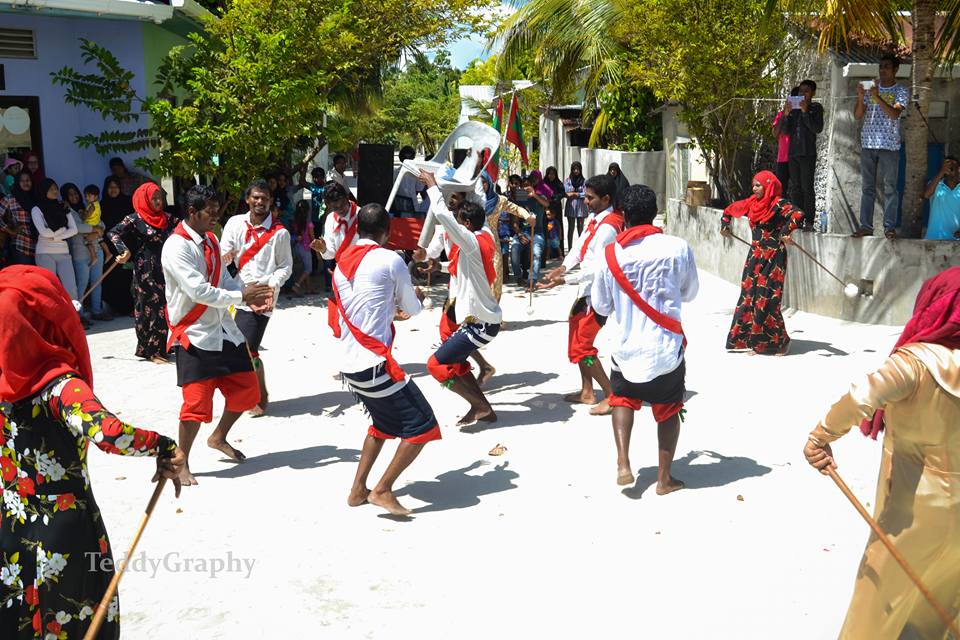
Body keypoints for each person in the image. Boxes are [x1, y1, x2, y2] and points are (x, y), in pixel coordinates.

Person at [0, 265, 185, 640]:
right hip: (65, 533)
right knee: (71, 620)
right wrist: (163, 445)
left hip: (11, 527)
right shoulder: (59, 384)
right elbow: (109, 433)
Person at [803, 267, 960, 639]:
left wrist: (819, 437)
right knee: (945, 580)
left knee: (878, 594)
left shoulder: (916, 362)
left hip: (913, 508)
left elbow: (862, 398)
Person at [161, 184, 273, 486]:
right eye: (210, 212)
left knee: (250, 392)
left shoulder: (210, 239)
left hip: (224, 331)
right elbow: (198, 290)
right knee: (195, 406)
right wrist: (241, 298)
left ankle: (219, 436)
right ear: (192, 212)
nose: (215, 217)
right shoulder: (176, 246)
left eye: (216, 211)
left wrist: (247, 294)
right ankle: (179, 461)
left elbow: (223, 278)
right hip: (195, 334)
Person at [333, 203, 439, 516]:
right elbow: (413, 309)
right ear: (387, 232)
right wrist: (416, 298)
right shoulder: (390, 259)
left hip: (348, 363)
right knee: (423, 426)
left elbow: (366, 307)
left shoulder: (341, 264)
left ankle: (357, 490)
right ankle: (382, 489)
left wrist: (394, 309)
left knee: (381, 424)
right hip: (374, 363)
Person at [592, 185, 698, 491]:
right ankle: (664, 480)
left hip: (625, 349)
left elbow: (600, 305)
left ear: (623, 214)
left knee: (622, 398)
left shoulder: (610, 254)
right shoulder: (677, 246)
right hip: (665, 350)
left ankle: (623, 462)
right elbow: (690, 292)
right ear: (654, 213)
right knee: (668, 408)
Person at [421, 171, 502, 426]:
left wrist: (433, 187)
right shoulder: (484, 234)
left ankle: (480, 406)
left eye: (460, 219)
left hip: (481, 323)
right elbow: (461, 267)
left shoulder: (470, 241)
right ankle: (483, 408)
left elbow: (444, 217)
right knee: (454, 360)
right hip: (480, 320)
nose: (455, 220)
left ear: (466, 224)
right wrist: (439, 268)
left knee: (435, 364)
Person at [540, 174, 624, 416]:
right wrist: (563, 267)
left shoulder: (608, 227)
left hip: (596, 295)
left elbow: (595, 267)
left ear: (606, 198)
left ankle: (611, 395)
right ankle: (587, 391)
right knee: (577, 341)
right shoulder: (597, 220)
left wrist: (564, 279)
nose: (584, 201)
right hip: (585, 292)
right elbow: (580, 248)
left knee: (583, 348)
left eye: (590, 198)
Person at [220, 179, 293, 417]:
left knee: (247, 348)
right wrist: (227, 255)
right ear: (248, 199)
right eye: (256, 197)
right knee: (242, 348)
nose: (260, 202)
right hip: (236, 292)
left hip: (262, 296)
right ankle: (257, 392)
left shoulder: (279, 233)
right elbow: (223, 252)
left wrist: (269, 286)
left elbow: (285, 267)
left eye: (264, 198)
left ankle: (258, 395)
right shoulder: (234, 223)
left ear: (270, 202)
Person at [720, 170, 803, 355]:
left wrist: (786, 232)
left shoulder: (778, 204)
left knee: (767, 298)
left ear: (768, 185)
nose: (754, 188)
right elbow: (727, 212)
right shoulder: (752, 203)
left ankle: (779, 342)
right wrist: (725, 226)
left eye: (758, 185)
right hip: (755, 255)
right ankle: (750, 340)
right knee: (749, 295)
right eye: (753, 185)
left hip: (774, 255)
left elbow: (798, 214)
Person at [108, 183, 175, 363]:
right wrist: (124, 251)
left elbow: (185, 232)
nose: (158, 201)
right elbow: (113, 233)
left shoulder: (168, 219)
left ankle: (160, 347)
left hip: (166, 267)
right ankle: (152, 351)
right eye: (153, 198)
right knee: (150, 307)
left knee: (164, 306)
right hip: (145, 269)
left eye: (159, 197)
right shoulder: (134, 219)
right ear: (144, 199)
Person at [852, 53, 910, 239]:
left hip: (889, 145)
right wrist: (861, 97)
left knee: (890, 188)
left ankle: (889, 228)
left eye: (886, 66)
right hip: (868, 143)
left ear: (895, 70)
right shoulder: (872, 88)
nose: (883, 70)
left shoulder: (901, 91)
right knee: (867, 187)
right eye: (881, 66)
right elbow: (858, 115)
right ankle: (866, 226)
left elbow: (894, 114)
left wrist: (877, 98)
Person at [311, 181, 360, 335]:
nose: (339, 210)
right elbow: (331, 253)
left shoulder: (363, 214)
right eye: (335, 207)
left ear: (347, 198)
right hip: (342, 273)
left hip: (362, 271)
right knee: (345, 315)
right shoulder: (331, 219)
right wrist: (323, 249)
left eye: (341, 205)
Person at [778, 80, 823, 231]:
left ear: (813, 93)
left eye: (806, 91)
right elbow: (785, 131)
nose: (802, 94)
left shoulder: (815, 108)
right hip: (793, 153)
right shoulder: (794, 110)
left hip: (807, 153)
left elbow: (817, 128)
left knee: (807, 187)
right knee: (795, 188)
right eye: (800, 91)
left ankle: (809, 221)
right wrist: (786, 114)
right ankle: (797, 219)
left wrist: (805, 112)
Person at [62, 182, 109, 323]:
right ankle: (79, 314)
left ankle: (97, 311)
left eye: (76, 193)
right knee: (81, 284)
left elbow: (102, 224)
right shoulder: (66, 209)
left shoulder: (87, 208)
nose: (74, 196)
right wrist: (95, 229)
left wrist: (96, 230)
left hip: (96, 249)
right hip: (80, 252)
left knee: (97, 282)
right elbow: (77, 228)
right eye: (70, 194)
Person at [31, 178, 79, 301]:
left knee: (70, 287)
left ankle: (75, 317)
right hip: (45, 253)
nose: (55, 191)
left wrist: (55, 236)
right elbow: (43, 232)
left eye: (55, 188)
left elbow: (74, 230)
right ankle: (52, 319)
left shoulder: (62, 206)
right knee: (49, 288)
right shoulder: (36, 209)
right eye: (51, 189)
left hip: (63, 252)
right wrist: (63, 232)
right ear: (44, 190)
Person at [99, 176, 135, 316]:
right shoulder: (102, 205)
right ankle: (114, 308)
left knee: (125, 278)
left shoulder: (127, 203)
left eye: (116, 187)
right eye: (110, 187)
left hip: (125, 247)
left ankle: (128, 308)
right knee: (111, 278)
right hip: (108, 248)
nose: (113, 190)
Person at [511, 174, 549, 290]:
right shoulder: (520, 197)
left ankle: (532, 281)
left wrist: (534, 195)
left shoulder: (539, 196)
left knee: (536, 255)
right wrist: (519, 234)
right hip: (523, 232)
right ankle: (519, 276)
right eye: (524, 185)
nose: (526, 187)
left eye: (528, 185)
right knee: (514, 249)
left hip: (537, 233)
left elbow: (547, 204)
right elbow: (515, 221)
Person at [923, 155, 960, 240]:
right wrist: (941, 173)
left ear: (959, 169)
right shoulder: (936, 185)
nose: (949, 167)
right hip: (934, 239)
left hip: (956, 243)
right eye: (946, 165)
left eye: (952, 165)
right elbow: (926, 195)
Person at [3, 170, 36, 265]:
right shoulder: (11, 198)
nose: (26, 183)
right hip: (21, 245)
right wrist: (10, 231)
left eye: (28, 180)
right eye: (22, 180)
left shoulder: (37, 197)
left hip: (40, 247)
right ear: (17, 182)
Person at [772, 87, 799, 194]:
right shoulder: (781, 114)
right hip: (783, 158)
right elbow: (775, 133)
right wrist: (785, 114)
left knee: (798, 188)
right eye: (794, 99)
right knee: (780, 188)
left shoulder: (803, 115)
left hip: (798, 157)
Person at [290, 200, 317, 294]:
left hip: (297, 246)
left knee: (305, 268)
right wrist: (318, 251)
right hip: (306, 248)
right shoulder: (309, 224)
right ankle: (297, 285)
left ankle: (309, 288)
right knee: (308, 269)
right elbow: (312, 238)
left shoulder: (294, 221)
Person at [564, 162, 588, 248]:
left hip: (581, 206)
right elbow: (566, 193)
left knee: (580, 228)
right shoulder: (568, 180)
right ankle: (570, 248)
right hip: (571, 206)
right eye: (574, 169)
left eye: (578, 169)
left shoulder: (584, 181)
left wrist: (576, 194)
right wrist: (577, 194)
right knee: (571, 228)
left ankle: (580, 248)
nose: (576, 171)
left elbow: (585, 193)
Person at [543, 166, 566, 253]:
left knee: (557, 226)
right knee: (547, 227)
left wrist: (557, 197)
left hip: (556, 207)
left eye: (553, 174)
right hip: (547, 207)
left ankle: (558, 251)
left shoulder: (558, 183)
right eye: (549, 174)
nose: (551, 176)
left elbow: (562, 193)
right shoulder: (544, 183)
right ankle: (547, 252)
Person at [391, 146, 420, 214]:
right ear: (413, 158)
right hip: (413, 207)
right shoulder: (416, 173)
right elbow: (419, 190)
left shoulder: (394, 172)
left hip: (398, 207)